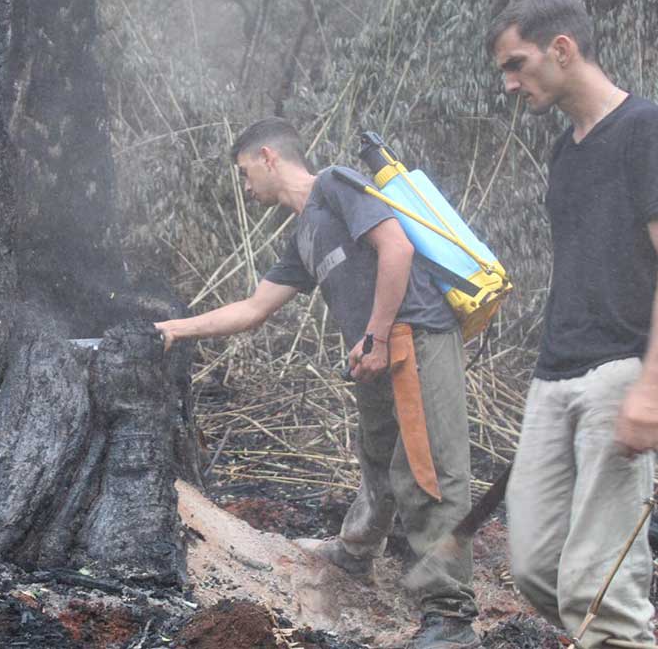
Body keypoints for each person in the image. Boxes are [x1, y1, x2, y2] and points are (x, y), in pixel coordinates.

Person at [154, 117, 480, 648]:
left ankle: (451, 617)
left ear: (268, 157)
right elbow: (254, 308)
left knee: (428, 470)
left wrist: (376, 335)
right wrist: (174, 329)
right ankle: (355, 552)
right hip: (374, 352)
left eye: (244, 172)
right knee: (378, 456)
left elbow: (396, 248)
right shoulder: (303, 233)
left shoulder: (334, 185)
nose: (245, 186)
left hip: (414, 338)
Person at [486, 0, 658, 648]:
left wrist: (650, 386)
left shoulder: (644, 130)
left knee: (597, 594)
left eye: (517, 63)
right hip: (554, 375)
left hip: (621, 370)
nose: (509, 83)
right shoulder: (566, 150)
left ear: (562, 49)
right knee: (536, 568)